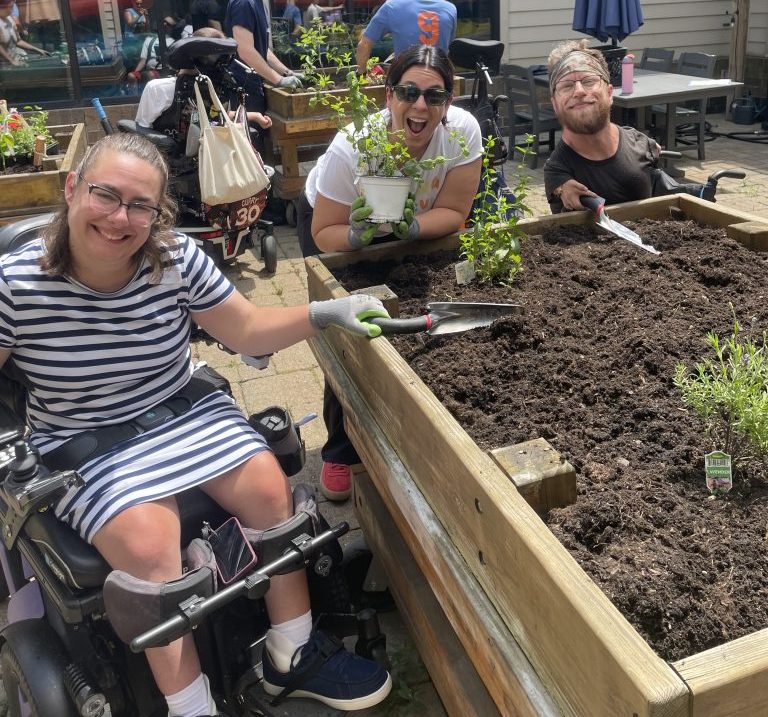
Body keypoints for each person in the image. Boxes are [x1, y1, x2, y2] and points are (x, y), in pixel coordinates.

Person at [0, 132, 392, 717]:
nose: (119, 218)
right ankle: (191, 707)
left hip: (180, 410)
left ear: (158, 214)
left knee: (270, 488)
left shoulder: (175, 257)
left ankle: (292, 654)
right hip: (84, 440)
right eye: (105, 195)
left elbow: (246, 329)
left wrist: (323, 313)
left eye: (140, 206)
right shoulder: (15, 284)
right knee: (149, 546)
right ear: (72, 189)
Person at [297, 44, 482, 500]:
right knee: (348, 333)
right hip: (338, 223)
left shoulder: (461, 135)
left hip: (412, 227)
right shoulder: (353, 146)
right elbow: (325, 232)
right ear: (388, 97)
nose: (420, 105)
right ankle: (340, 450)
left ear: (448, 104)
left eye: (434, 96)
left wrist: (414, 226)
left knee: (403, 327)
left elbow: (456, 211)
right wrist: (360, 237)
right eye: (409, 91)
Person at [544, 39, 661, 214]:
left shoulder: (640, 143)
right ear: (554, 104)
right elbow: (556, 183)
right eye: (567, 85)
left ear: (609, 92)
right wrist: (561, 189)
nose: (579, 91)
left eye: (589, 81)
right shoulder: (558, 170)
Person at [134, 26, 272, 134]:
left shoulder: (159, 88)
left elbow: (143, 130)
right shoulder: (215, 86)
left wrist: (255, 116)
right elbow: (215, 116)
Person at [225, 0, 302, 120]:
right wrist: (279, 80)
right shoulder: (243, 4)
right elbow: (245, 50)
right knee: (248, 136)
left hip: (254, 85)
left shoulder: (259, 4)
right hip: (242, 88)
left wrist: (287, 72)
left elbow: (262, 49)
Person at [356, 0, 456, 72]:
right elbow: (449, 45)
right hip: (439, 75)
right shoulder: (450, 9)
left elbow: (365, 43)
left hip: (405, 76)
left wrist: (361, 72)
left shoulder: (392, 6)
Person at [0, 0, 49, 64]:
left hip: (14, 62)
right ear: (3, 7)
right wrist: (11, 60)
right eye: (11, 7)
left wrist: (38, 50)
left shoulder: (10, 20)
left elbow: (18, 41)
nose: (13, 10)